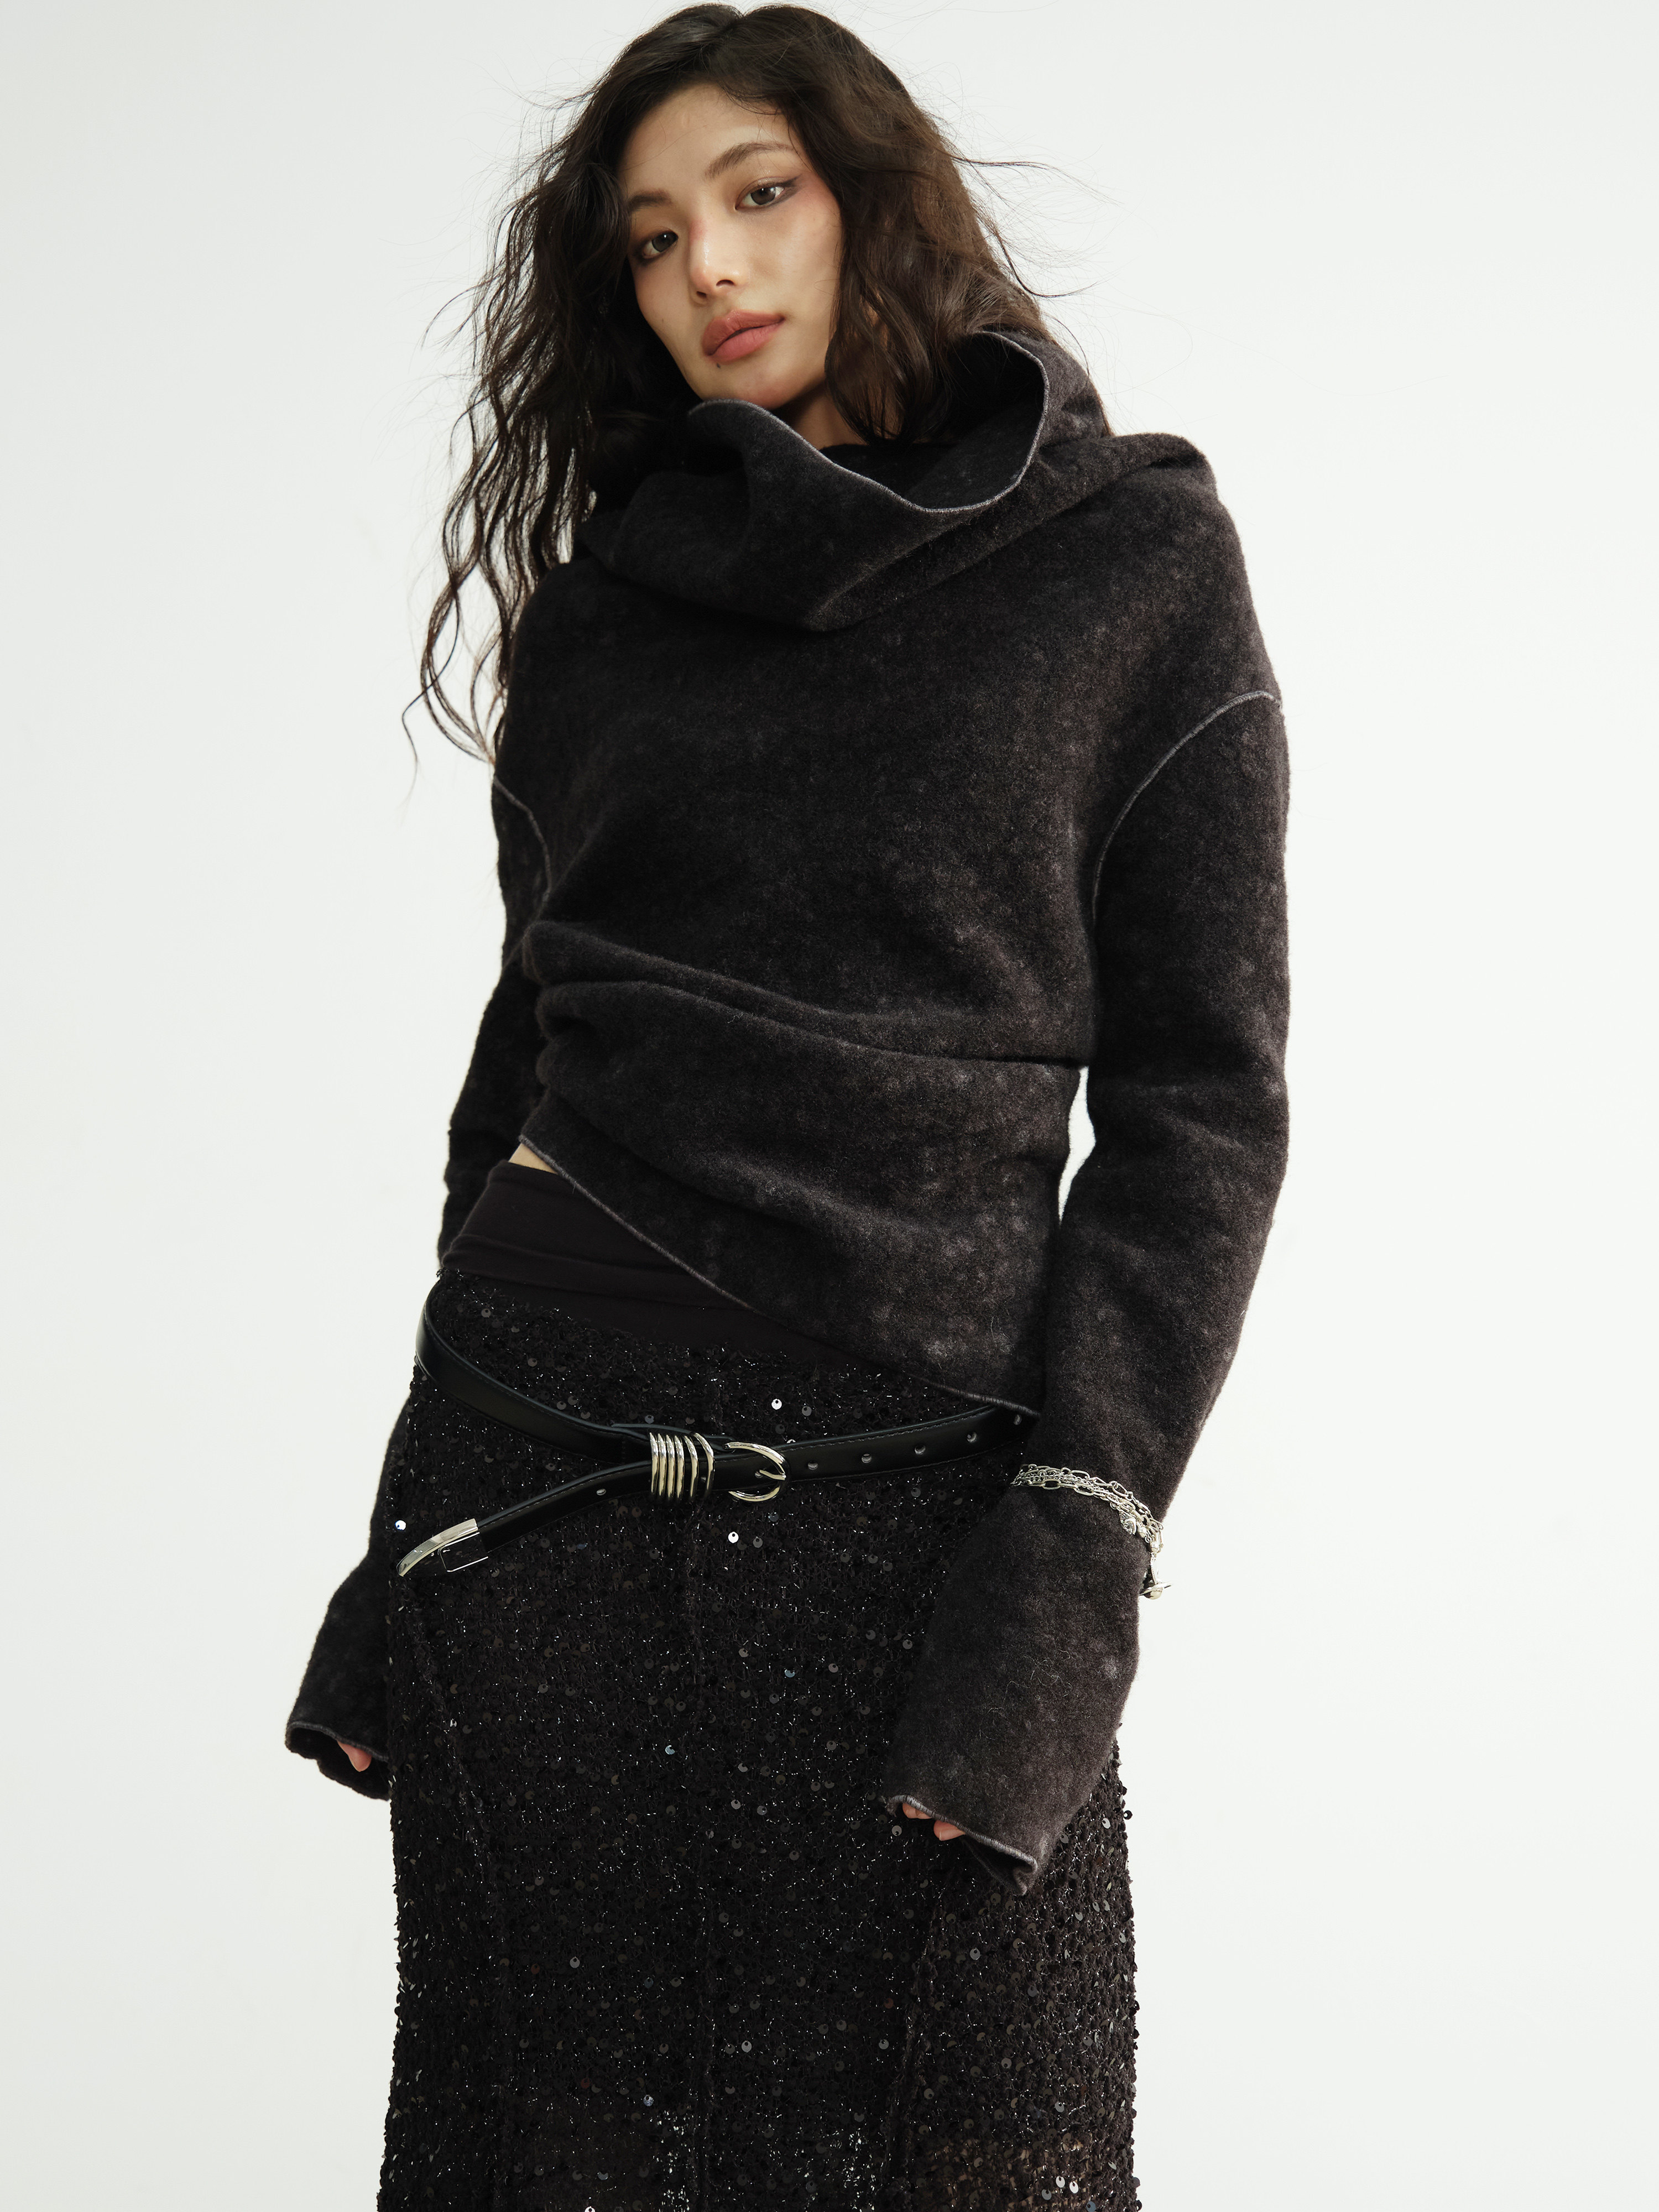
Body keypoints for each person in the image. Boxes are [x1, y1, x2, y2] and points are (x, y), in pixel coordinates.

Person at [286, 7, 1289, 2206]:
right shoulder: (602, 623)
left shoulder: (1128, 559)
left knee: (987, 2154)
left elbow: (1203, 1109)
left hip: (923, 1524)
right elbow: (530, 1066)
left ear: (872, 198)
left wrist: (1072, 1574)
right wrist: (394, 1550)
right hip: (530, 1498)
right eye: (653, 238)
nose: (711, 269)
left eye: (759, 195)